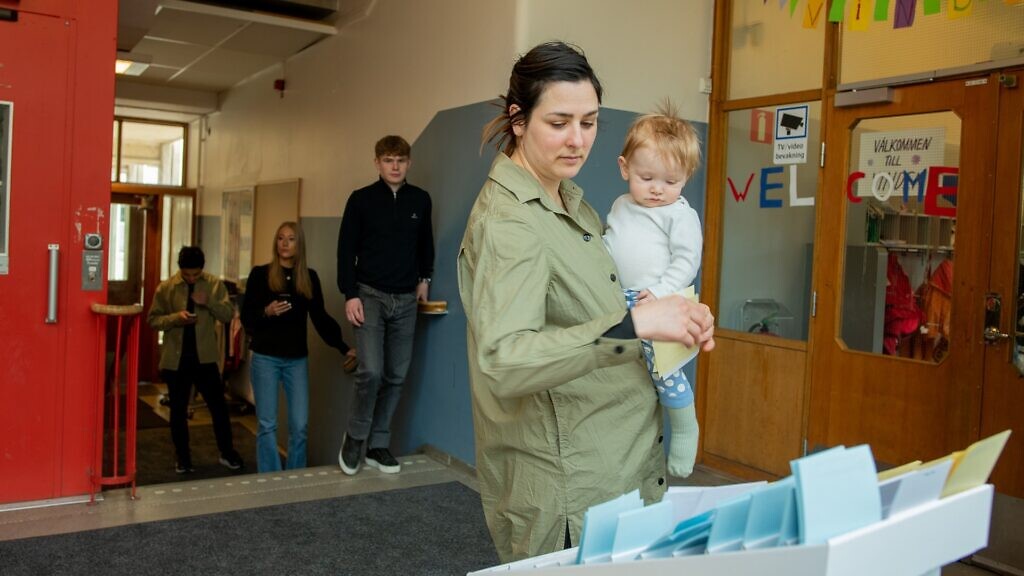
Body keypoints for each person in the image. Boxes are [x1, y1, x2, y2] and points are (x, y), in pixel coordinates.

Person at [457, 41, 716, 562]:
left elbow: (604, 306)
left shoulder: (568, 198)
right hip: (572, 493)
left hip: (622, 465)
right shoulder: (510, 224)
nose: (578, 141)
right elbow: (506, 362)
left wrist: (676, 316)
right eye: (559, 123)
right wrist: (638, 323)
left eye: (590, 122)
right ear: (519, 119)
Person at [603, 104, 703, 478]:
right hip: (620, 301)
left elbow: (687, 260)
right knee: (621, 374)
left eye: (671, 181)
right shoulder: (620, 205)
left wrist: (660, 291)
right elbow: (611, 247)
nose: (658, 189)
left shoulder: (679, 214)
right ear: (625, 168)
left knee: (665, 375)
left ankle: (685, 428)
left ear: (686, 177)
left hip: (661, 302)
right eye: (647, 178)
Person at [336, 135, 435, 476]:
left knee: (396, 375)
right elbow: (345, 251)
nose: (395, 166)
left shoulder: (420, 200)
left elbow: (426, 245)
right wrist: (350, 294)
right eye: (388, 160)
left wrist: (425, 279)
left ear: (409, 163)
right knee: (371, 371)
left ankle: (378, 444)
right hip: (369, 296)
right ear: (377, 163)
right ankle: (355, 437)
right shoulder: (361, 200)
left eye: (401, 160)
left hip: (406, 299)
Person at [241, 222, 357, 473]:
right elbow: (246, 317)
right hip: (265, 359)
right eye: (280, 238)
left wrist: (343, 347)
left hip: (296, 360)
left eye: (291, 239)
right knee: (268, 425)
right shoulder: (260, 275)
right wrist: (267, 311)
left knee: (300, 426)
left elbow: (321, 318)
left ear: (299, 244)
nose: (284, 243)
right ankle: (270, 479)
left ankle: (295, 479)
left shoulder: (309, 278)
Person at [147, 246, 244, 474]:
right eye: (187, 274)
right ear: (180, 270)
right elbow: (152, 320)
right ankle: (183, 458)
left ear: (202, 269)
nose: (191, 278)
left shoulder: (213, 284)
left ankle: (227, 453)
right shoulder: (167, 288)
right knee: (178, 411)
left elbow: (228, 315)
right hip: (175, 360)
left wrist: (207, 301)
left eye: (195, 274)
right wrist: (175, 318)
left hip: (205, 358)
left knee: (218, 408)